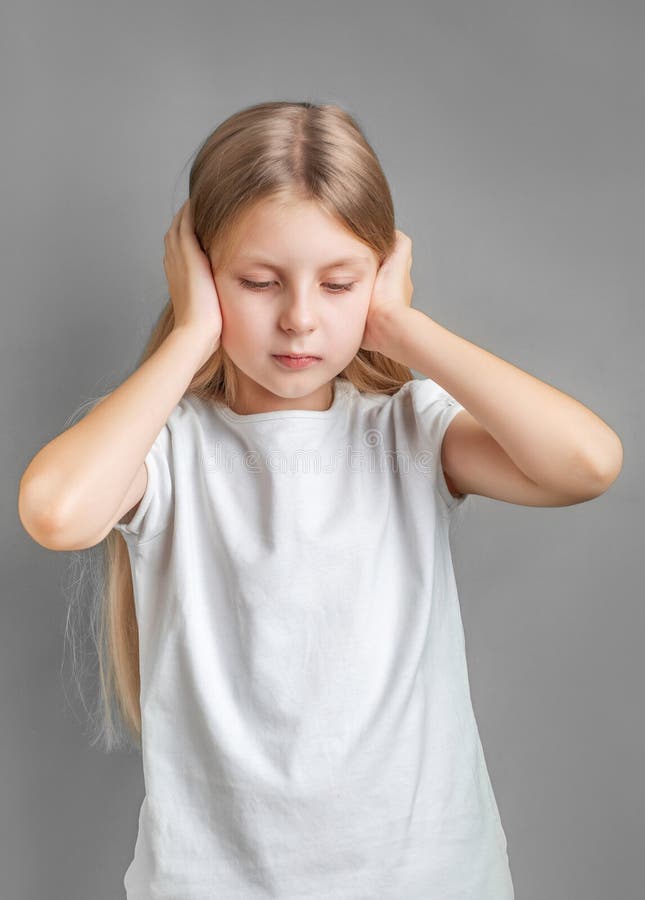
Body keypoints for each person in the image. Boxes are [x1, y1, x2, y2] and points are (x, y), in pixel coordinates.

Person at [18, 100, 623, 899]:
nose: (300, 318)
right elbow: (57, 512)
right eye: (259, 282)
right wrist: (192, 335)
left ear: (377, 276)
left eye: (338, 282)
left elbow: (587, 463)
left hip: (427, 876)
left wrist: (401, 329)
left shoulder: (408, 430)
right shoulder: (169, 449)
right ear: (199, 273)